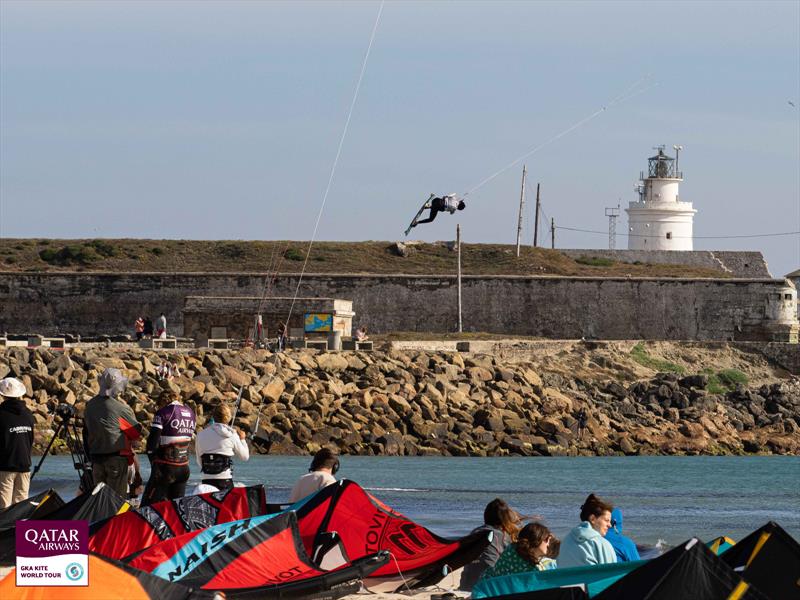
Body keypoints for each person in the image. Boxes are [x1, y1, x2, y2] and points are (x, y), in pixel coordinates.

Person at [83, 368, 142, 497]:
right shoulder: (120, 408)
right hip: (116, 458)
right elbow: (136, 433)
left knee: (100, 499)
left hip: (96, 459)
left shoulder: (90, 406)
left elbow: (86, 430)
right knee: (116, 500)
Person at [142, 390, 196, 505]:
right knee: (176, 510)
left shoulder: (163, 412)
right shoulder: (191, 413)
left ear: (163, 401)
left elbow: (152, 443)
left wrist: (153, 462)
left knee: (148, 508)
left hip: (165, 468)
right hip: (184, 469)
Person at [460, 498, 522, 590]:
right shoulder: (503, 536)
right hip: (489, 587)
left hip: (466, 585)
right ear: (505, 518)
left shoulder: (474, 532)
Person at [195, 403, 250, 491]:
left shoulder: (200, 435)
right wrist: (243, 439)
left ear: (214, 416)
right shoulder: (232, 435)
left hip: (206, 480)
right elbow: (245, 457)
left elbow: (199, 461)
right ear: (228, 417)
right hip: (225, 480)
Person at [0, 378, 34, 509]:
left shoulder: (1, 414)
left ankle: (5, 530)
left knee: (3, 508)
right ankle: (20, 529)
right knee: (21, 508)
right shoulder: (28, 414)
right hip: (24, 465)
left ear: (3, 395)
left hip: (5, 466)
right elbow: (30, 439)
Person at [558, 493, 617, 568]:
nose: (610, 525)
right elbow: (611, 575)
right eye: (606, 520)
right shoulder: (602, 545)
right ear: (592, 519)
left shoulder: (566, 541)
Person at [482, 522, 558, 580]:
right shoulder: (534, 570)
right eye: (546, 539)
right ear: (537, 540)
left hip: (485, 588)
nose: (548, 542)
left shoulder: (512, 549)